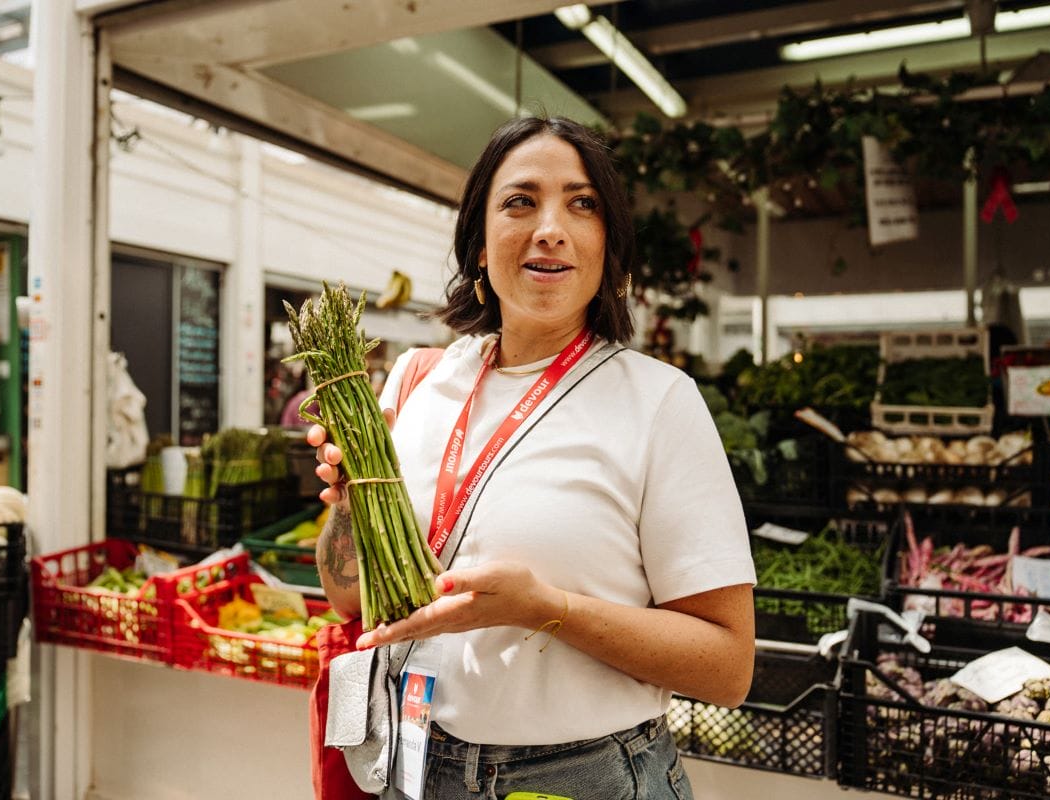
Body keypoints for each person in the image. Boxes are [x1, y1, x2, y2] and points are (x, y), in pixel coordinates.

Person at [306, 116, 756, 800]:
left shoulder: (659, 402)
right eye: (520, 201)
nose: (550, 226)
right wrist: (347, 505)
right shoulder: (418, 381)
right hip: (415, 766)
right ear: (480, 246)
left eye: (582, 204)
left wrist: (545, 608)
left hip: (585, 779)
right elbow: (348, 594)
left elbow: (727, 668)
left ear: (607, 245)